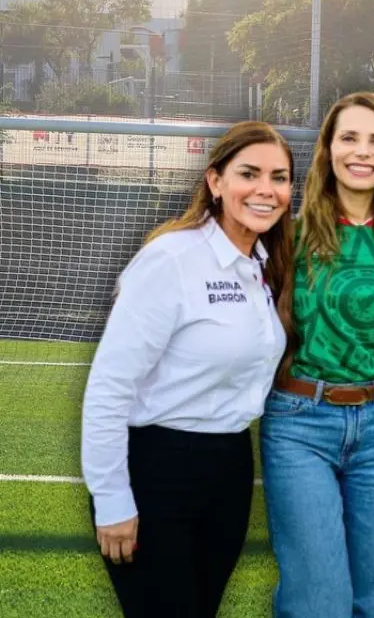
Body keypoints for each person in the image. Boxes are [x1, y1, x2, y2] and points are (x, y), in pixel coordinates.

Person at [80, 121, 296, 617]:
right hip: (159, 468)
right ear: (215, 182)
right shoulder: (171, 259)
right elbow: (110, 387)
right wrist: (112, 500)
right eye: (249, 173)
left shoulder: (261, 264)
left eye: (280, 177)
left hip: (229, 468)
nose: (266, 190)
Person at [261, 92, 374, 617]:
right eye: (349, 137)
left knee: (370, 594)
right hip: (300, 422)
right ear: (328, 149)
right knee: (318, 598)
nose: (363, 151)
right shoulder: (289, 230)